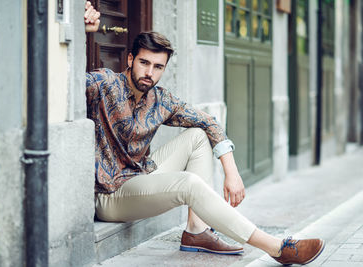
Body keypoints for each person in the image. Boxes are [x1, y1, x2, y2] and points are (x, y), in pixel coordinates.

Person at [84, 2, 325, 265]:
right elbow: (69, 87)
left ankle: (196, 231)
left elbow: (209, 122)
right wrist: (87, 34)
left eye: (158, 66)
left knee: (198, 135)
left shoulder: (160, 100)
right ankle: (276, 247)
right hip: (111, 195)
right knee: (188, 183)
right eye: (144, 63)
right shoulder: (106, 84)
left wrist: (230, 170)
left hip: (139, 177)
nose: (149, 73)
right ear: (130, 60)